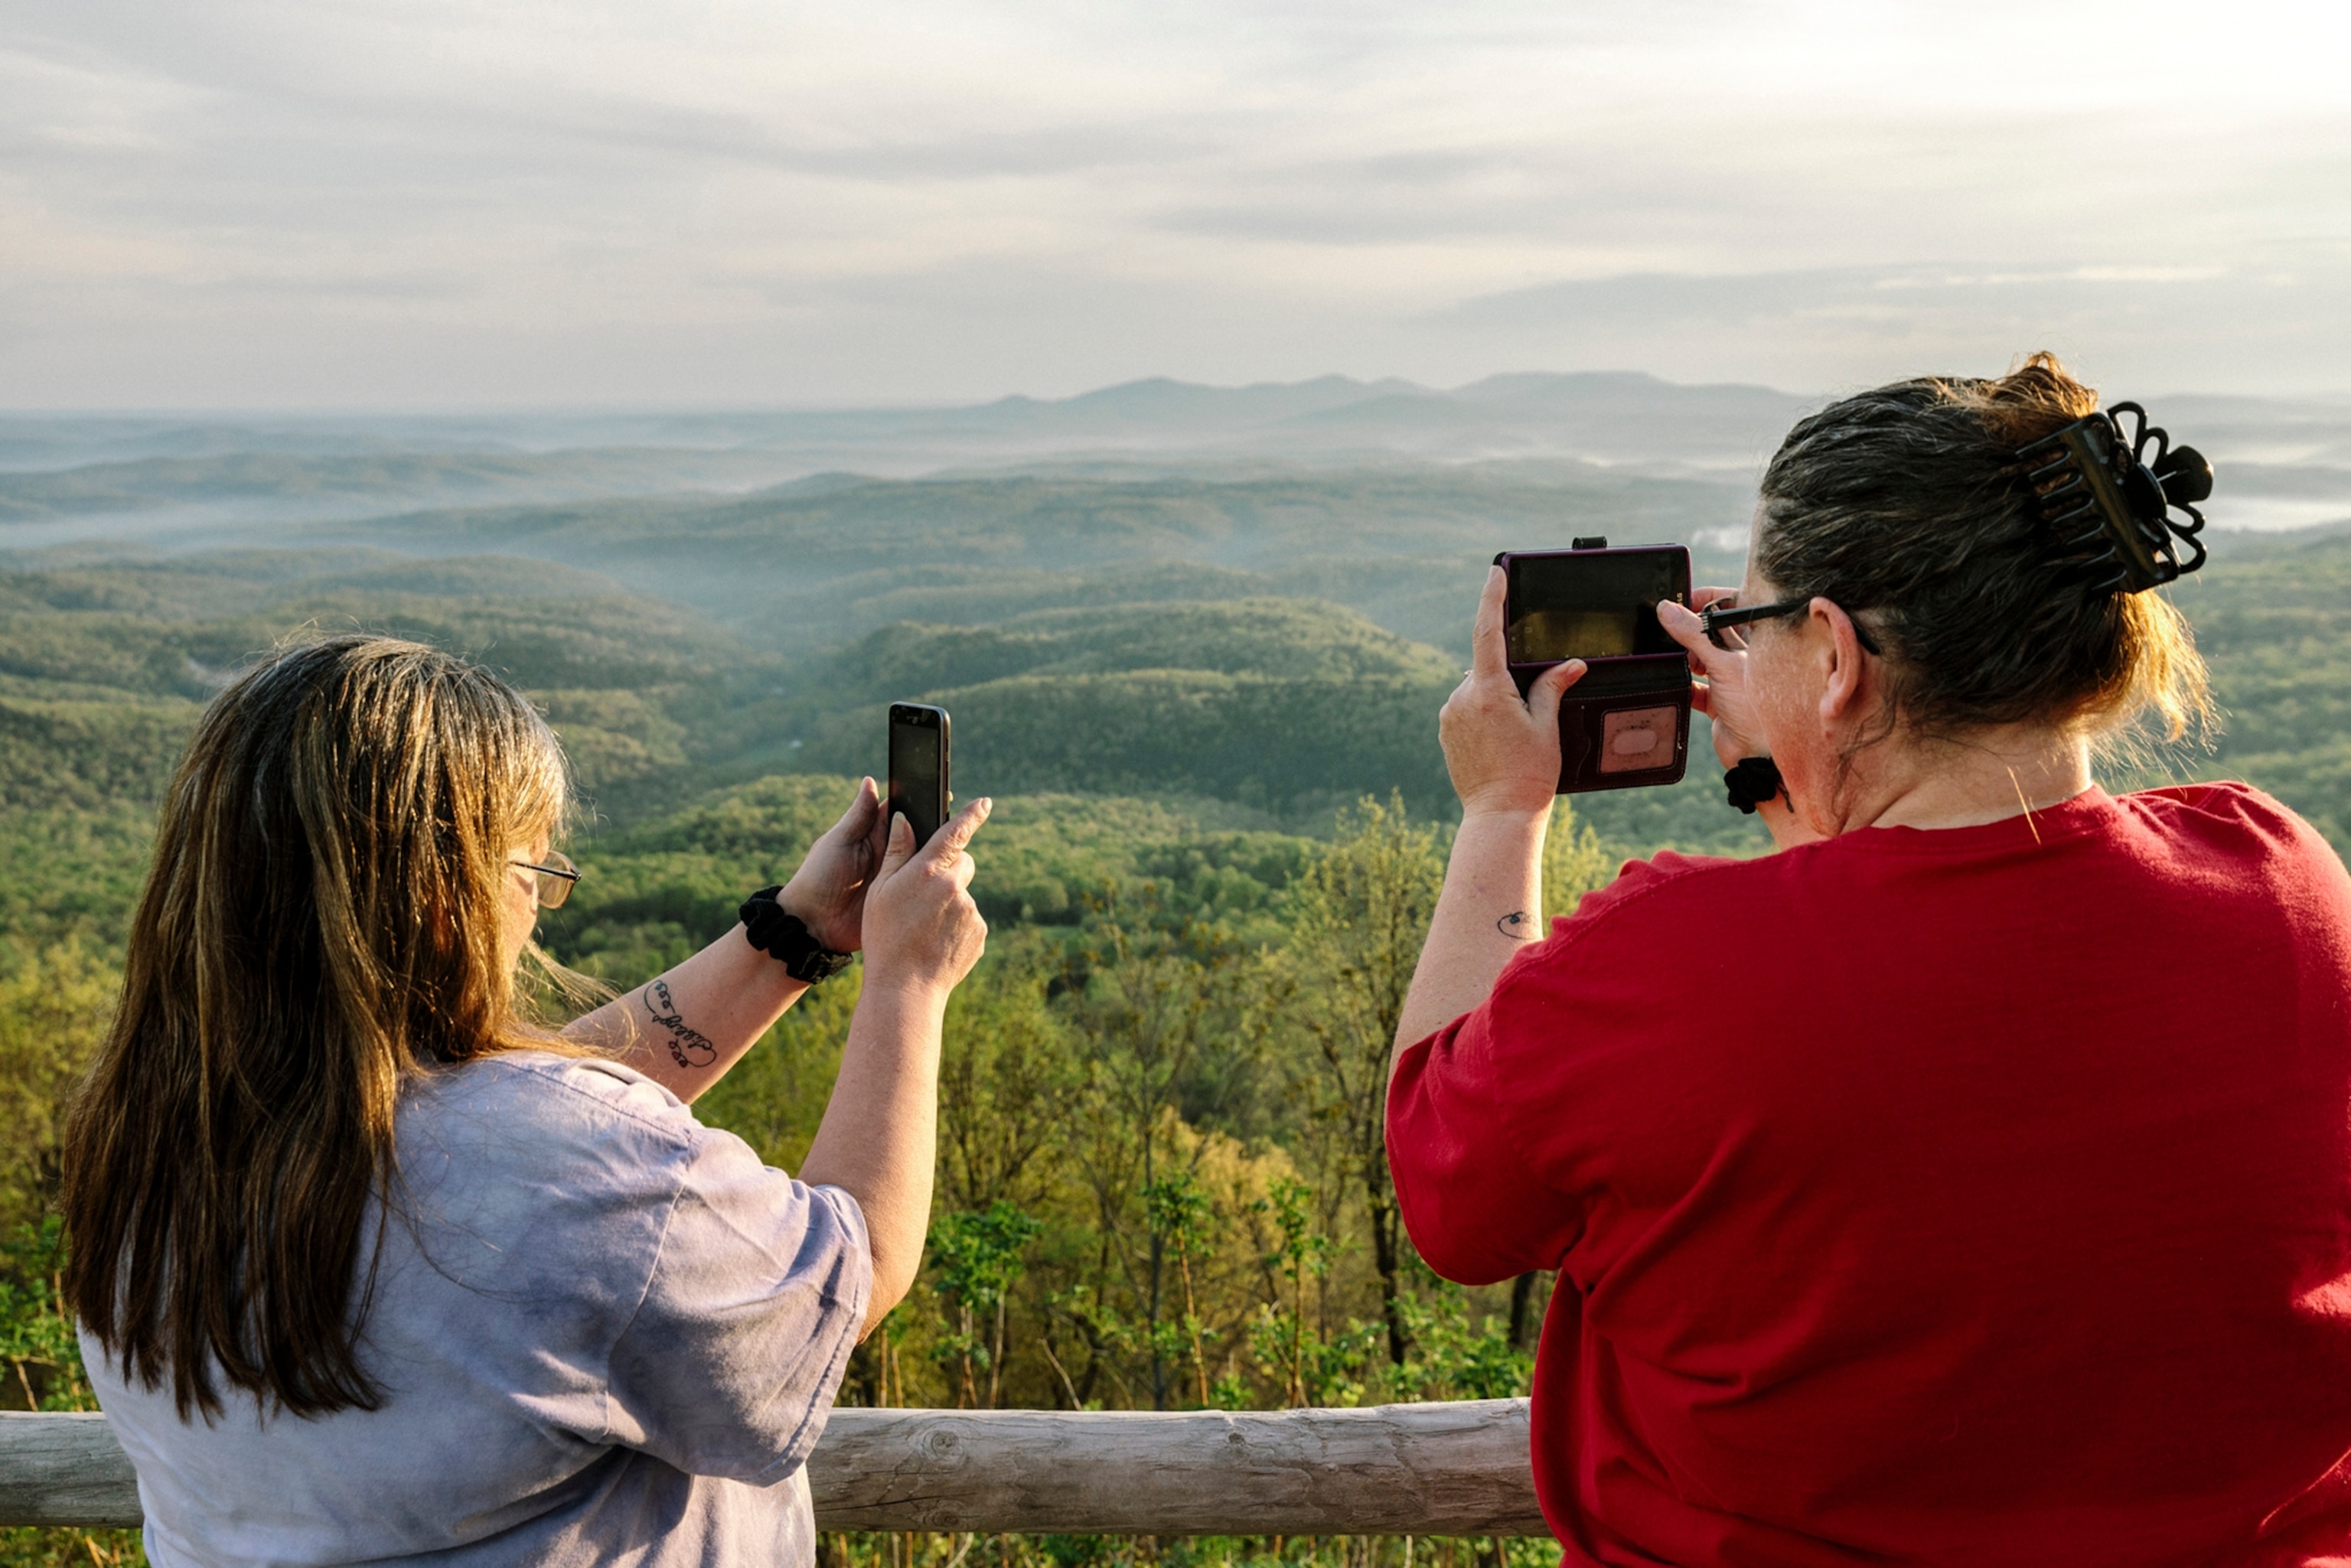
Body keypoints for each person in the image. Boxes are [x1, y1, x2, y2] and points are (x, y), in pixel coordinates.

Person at [1385, 356, 2351, 1564]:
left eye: (1761, 619)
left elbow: (1447, 1191)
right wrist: (1811, 774)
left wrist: (1500, 812)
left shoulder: (1660, 973)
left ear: (1836, 654)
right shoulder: (2285, 881)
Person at [60, 634, 991, 1566]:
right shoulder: (570, 1169)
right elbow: (846, 1270)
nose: (537, 906)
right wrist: (906, 983)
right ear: (440, 894)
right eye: (531, 872)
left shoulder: (142, 1145)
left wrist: (791, 937)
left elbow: (486, 1136)